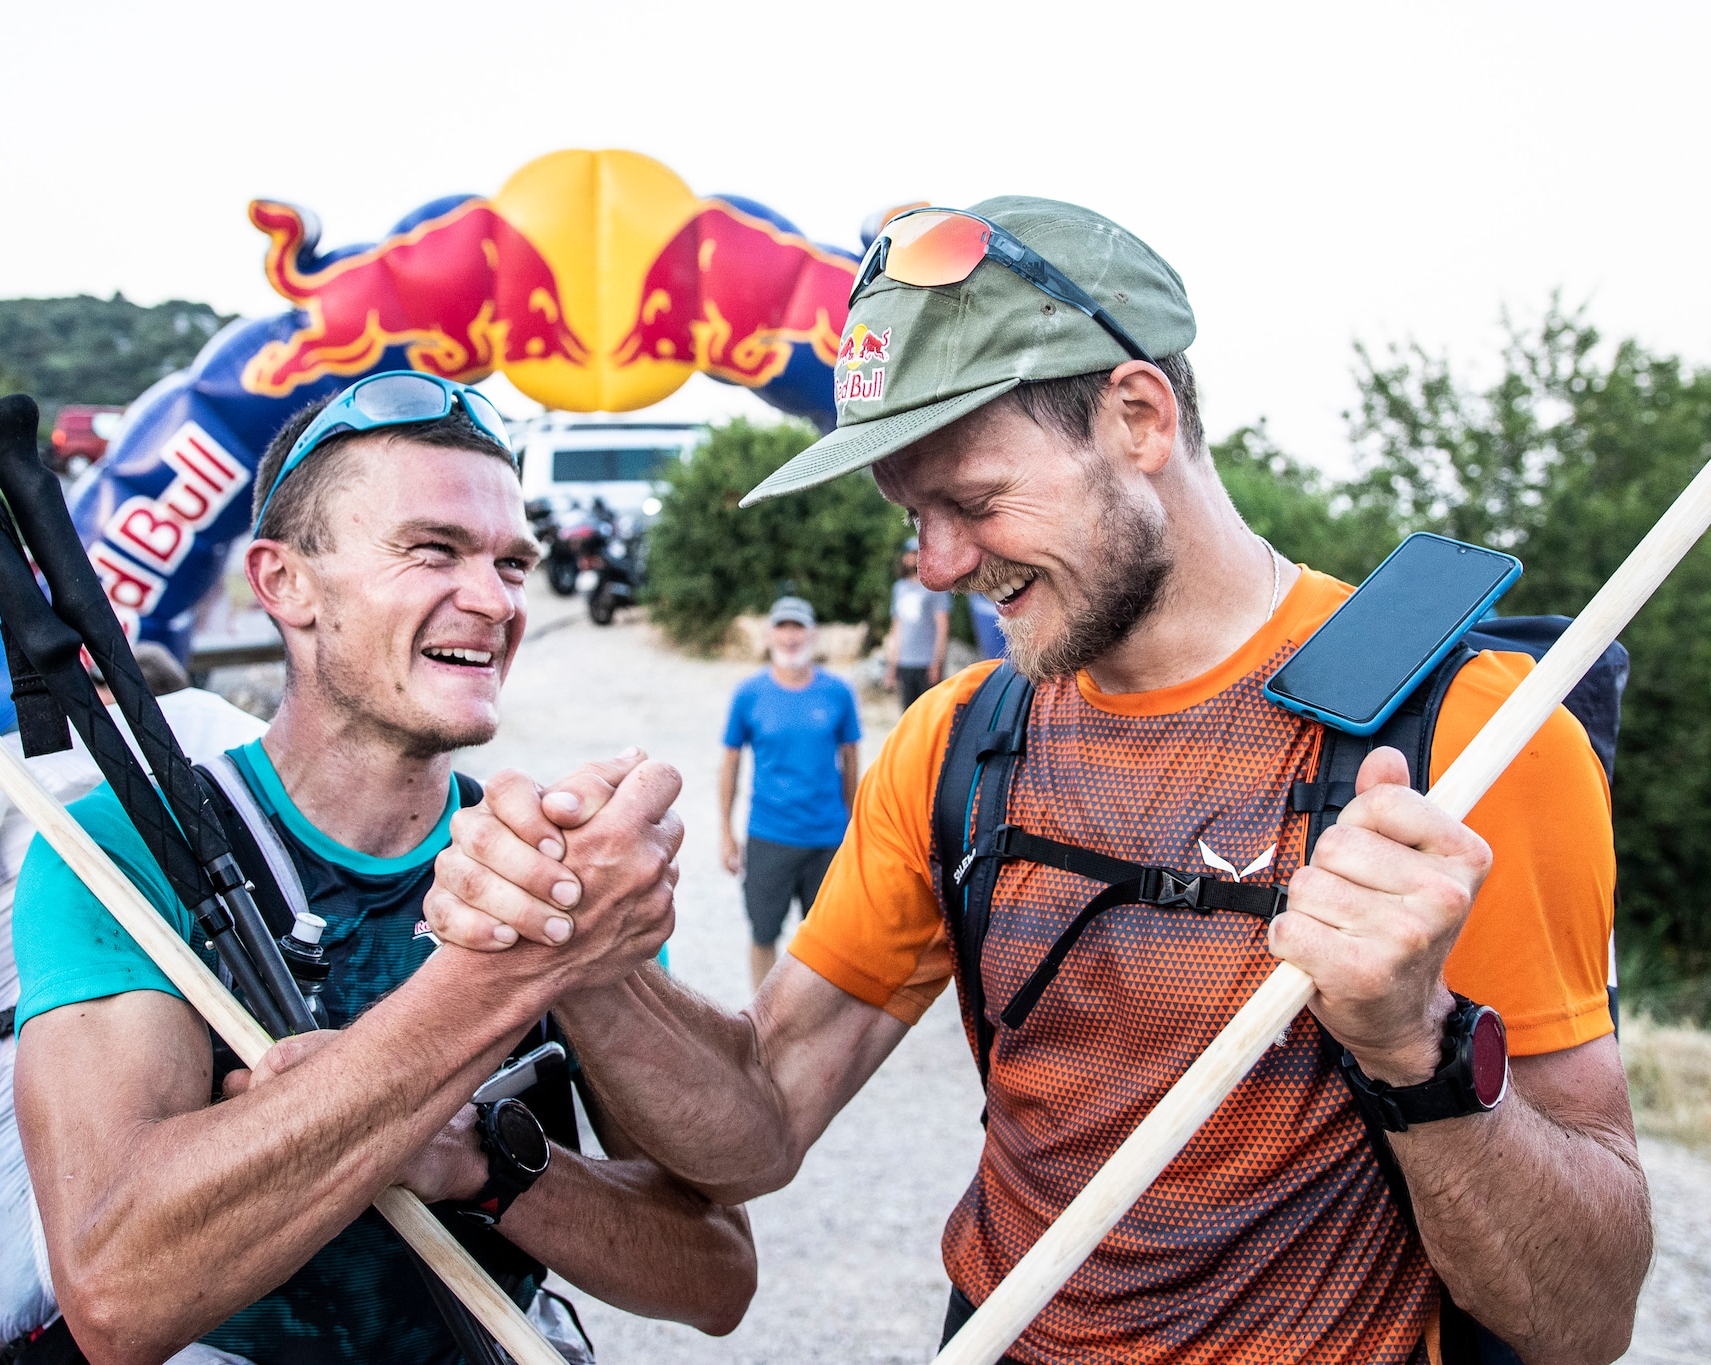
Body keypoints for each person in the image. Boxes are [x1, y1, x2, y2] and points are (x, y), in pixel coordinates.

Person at [424, 199, 1652, 1365]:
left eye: (971, 502)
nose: (939, 565)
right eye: (912, 516)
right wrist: (582, 953)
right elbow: (757, 1122)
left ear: (1136, 417)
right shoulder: (956, 742)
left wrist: (1412, 1044)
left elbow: (1580, 1315)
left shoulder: (1470, 739)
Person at [9, 373, 754, 1365]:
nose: (492, 602)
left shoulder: (539, 861)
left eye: (511, 562)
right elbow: (116, 1296)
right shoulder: (125, 850)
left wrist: (479, 1164)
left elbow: (713, 1277)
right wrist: (510, 975)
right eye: (432, 550)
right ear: (285, 584)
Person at [0, 643, 267, 1356]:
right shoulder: (213, 719)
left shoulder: (15, 751)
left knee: (39, 1166)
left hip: (27, 947)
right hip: (206, 927)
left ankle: (36, 1324)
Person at [719, 596, 862, 987]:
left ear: (812, 634)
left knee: (826, 943)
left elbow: (851, 762)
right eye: (782, 626)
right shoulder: (749, 694)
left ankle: (812, 1023)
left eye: (798, 627)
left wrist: (856, 827)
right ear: (769, 636)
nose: (790, 635)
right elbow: (730, 764)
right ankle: (762, 1022)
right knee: (763, 934)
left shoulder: (838, 693)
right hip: (769, 836)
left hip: (828, 837)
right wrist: (726, 833)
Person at [885, 536, 952, 707]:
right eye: (908, 553)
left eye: (916, 553)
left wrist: (937, 662)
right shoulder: (899, 588)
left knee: (929, 712)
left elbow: (942, 627)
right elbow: (896, 628)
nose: (911, 557)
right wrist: (892, 665)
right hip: (905, 661)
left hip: (926, 662)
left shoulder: (934, 587)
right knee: (908, 715)